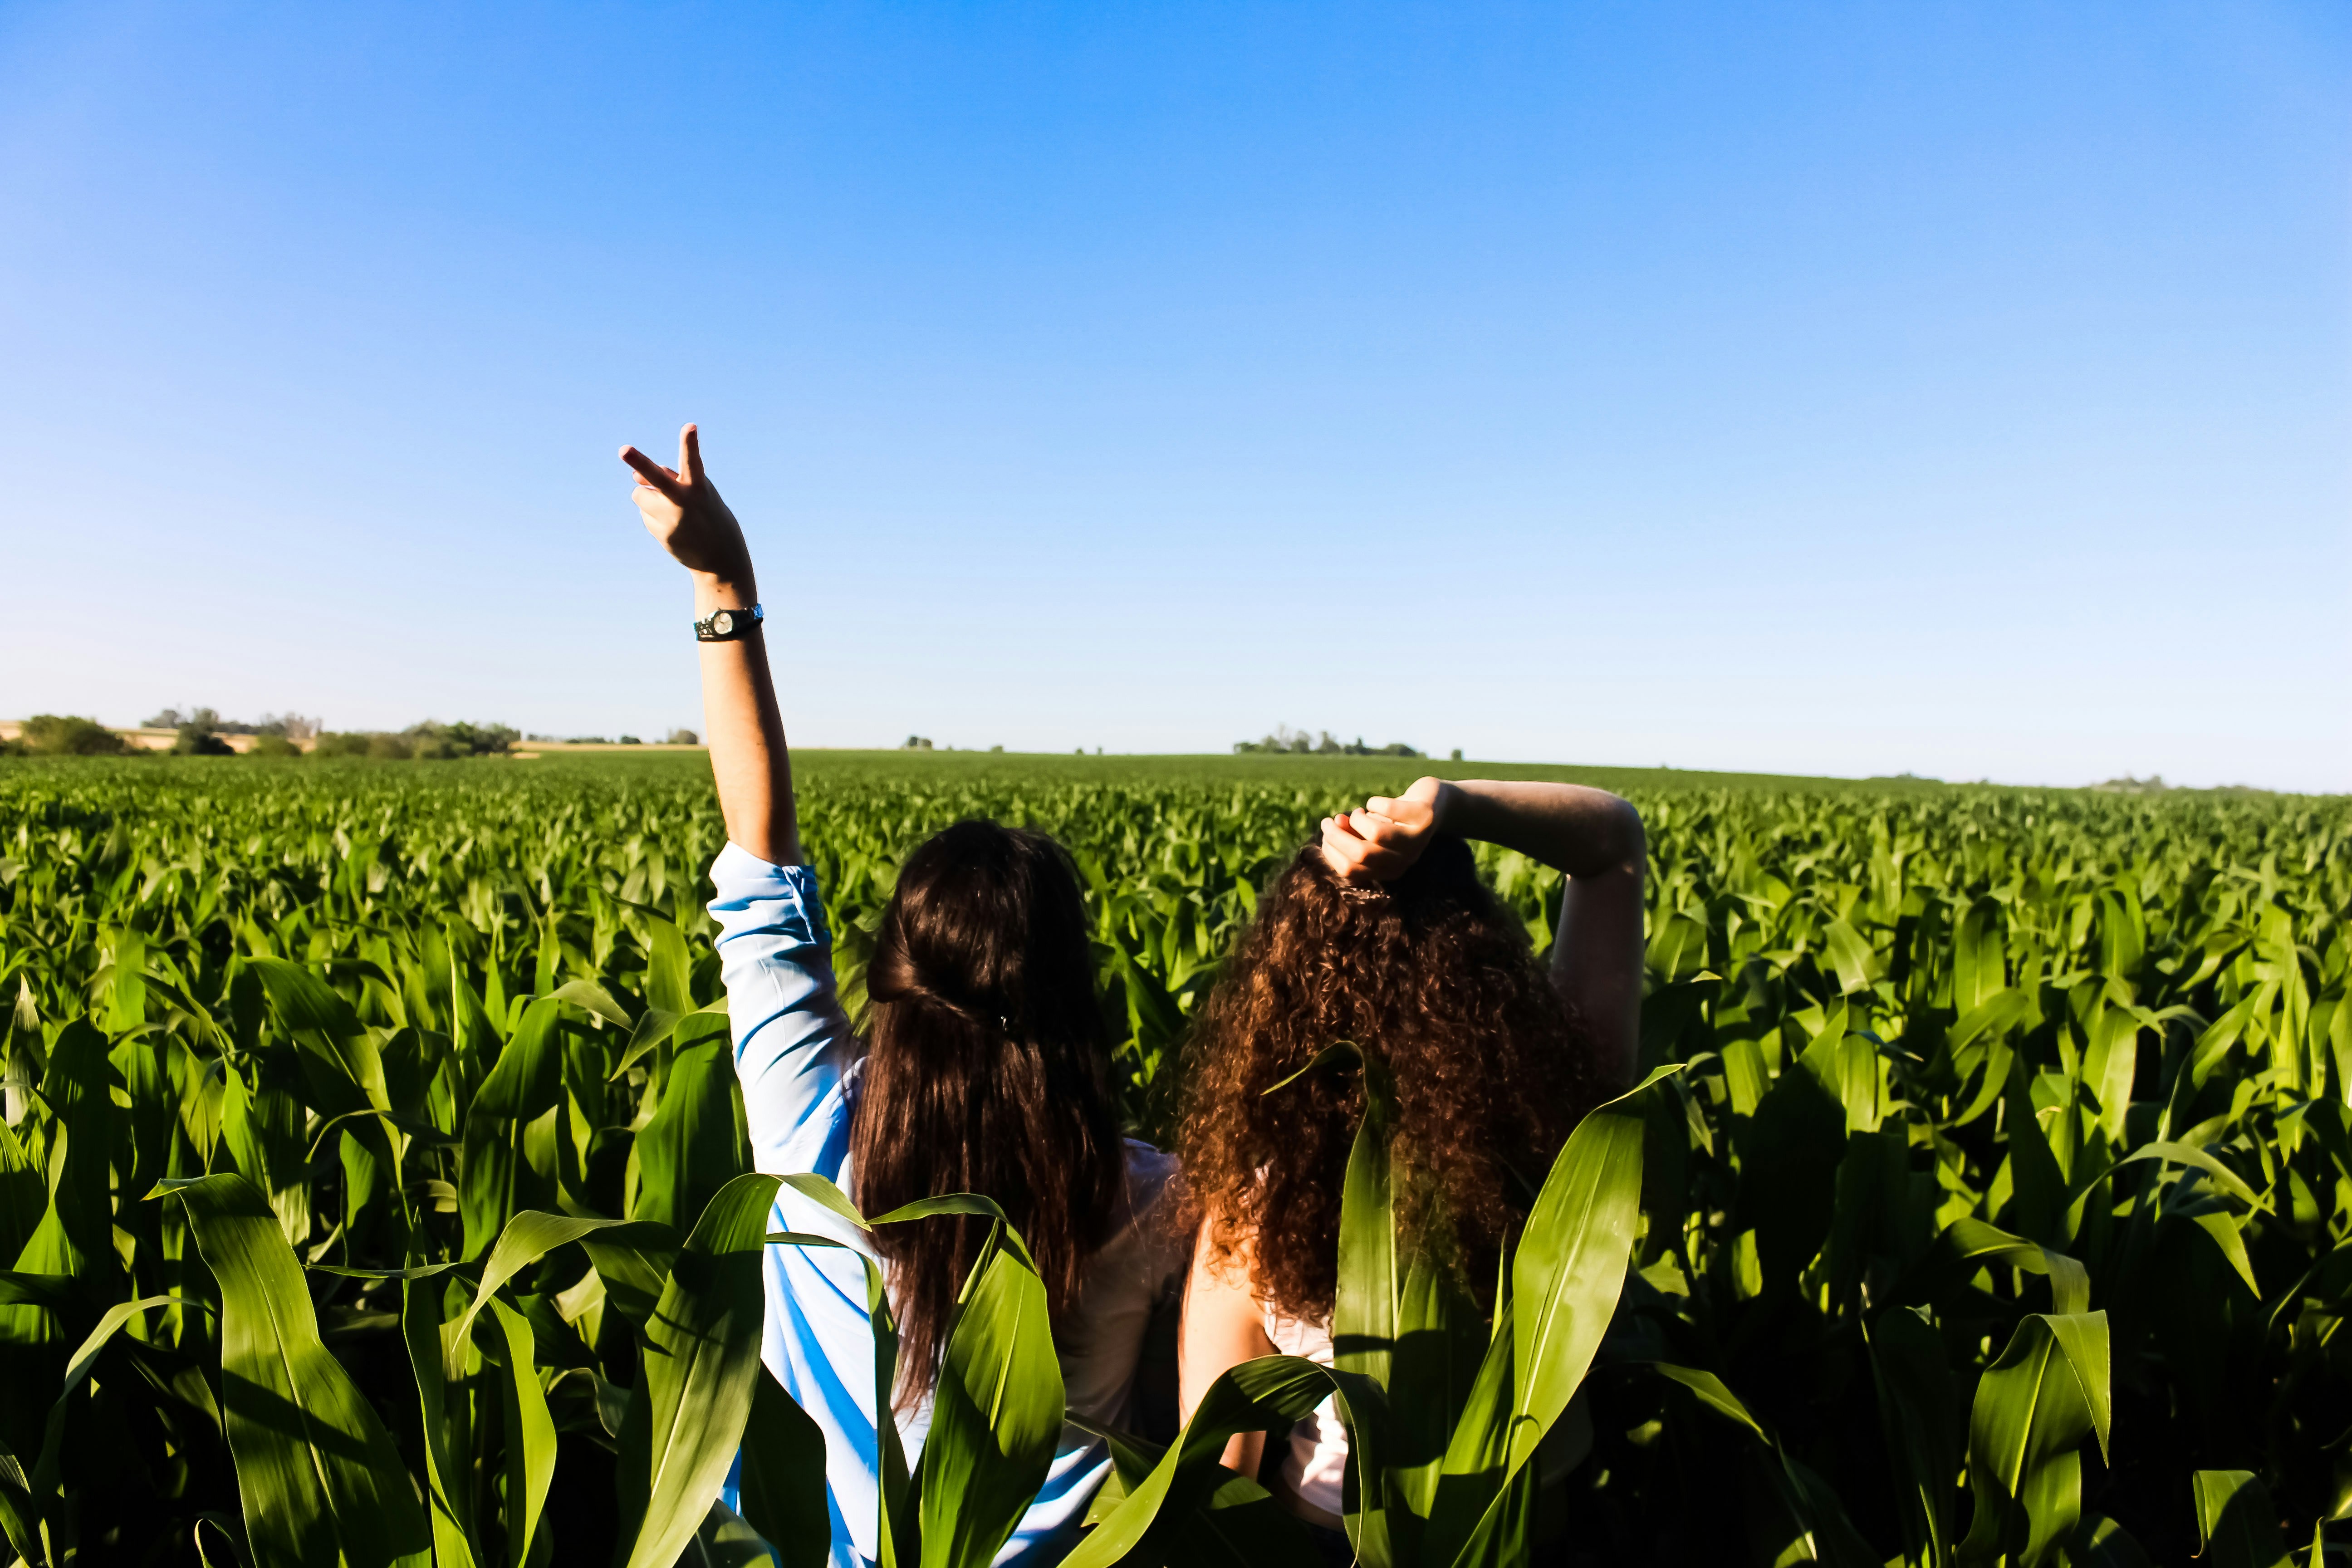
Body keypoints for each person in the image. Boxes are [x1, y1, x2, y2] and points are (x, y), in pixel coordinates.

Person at [621, 426, 1186, 1568]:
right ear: (1080, 1003)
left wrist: (721, 581)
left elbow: (763, 868)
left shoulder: (810, 1124)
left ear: (893, 979)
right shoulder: (1153, 1205)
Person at [1174, 777, 1646, 1545]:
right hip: (1538, 1534)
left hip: (1338, 1542)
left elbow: (1219, 1474)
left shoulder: (1258, 1206)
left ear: (1286, 990)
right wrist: (1449, 803)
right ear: (1484, 969)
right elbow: (1613, 842)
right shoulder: (1565, 1143)